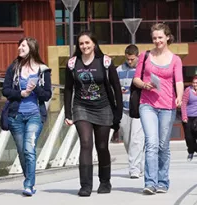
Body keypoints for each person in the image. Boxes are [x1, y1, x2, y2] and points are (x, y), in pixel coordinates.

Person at [64, 31, 123, 197]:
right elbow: (68, 89)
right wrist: (68, 113)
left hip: (104, 107)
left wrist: (117, 112)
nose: (84, 46)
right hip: (81, 107)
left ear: (94, 44)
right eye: (81, 44)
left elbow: (116, 88)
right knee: (85, 143)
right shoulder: (72, 63)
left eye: (87, 43)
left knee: (102, 147)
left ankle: (105, 181)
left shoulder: (104, 62)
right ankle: (85, 185)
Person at [132, 23, 184, 195]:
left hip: (168, 106)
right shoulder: (145, 56)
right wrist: (145, 85)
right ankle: (150, 183)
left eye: (160, 37)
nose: (157, 41)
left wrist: (179, 96)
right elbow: (136, 80)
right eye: (154, 38)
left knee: (163, 146)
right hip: (147, 104)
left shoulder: (175, 59)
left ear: (167, 37)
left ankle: (163, 181)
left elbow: (179, 81)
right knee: (152, 143)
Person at [2, 37, 52, 196]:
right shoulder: (14, 68)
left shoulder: (43, 70)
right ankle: (29, 179)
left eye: (23, 46)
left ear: (31, 48)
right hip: (15, 116)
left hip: (35, 115)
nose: (19, 48)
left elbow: (47, 95)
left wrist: (35, 88)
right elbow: (5, 90)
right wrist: (21, 93)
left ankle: (29, 184)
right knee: (22, 151)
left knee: (29, 149)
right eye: (19, 46)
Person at [116, 44, 145, 179]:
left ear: (137, 57)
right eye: (127, 59)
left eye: (132, 59)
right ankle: (140, 165)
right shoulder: (118, 70)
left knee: (136, 140)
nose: (129, 61)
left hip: (139, 110)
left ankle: (133, 169)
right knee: (127, 140)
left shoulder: (143, 70)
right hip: (124, 109)